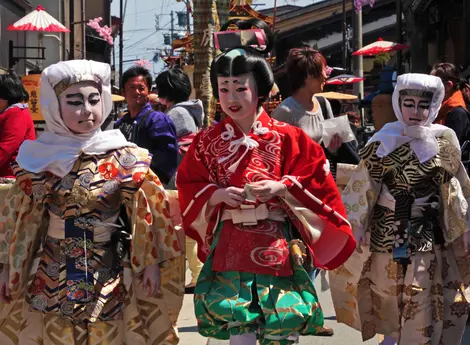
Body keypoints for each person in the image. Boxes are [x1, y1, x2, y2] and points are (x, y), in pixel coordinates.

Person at [177, 26, 355, 345]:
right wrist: (216, 194)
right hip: (231, 245)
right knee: (239, 330)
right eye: (224, 89)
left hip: (277, 244)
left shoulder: (290, 137)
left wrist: (281, 187)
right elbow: (189, 183)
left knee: (283, 328)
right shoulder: (206, 142)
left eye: (240, 88)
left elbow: (315, 177)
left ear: (258, 88)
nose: (231, 98)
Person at [0, 60, 182, 344]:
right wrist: (9, 266)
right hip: (52, 268)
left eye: (94, 99)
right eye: (74, 101)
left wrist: (150, 263)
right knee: (55, 333)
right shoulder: (37, 158)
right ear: (54, 107)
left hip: (106, 265)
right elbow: (18, 218)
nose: (86, 109)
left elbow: (147, 213)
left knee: (106, 334)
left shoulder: (125, 156)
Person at [329, 74, 470, 345]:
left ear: (435, 106)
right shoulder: (382, 142)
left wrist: (464, 226)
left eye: (423, 105)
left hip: (427, 236)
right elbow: (362, 189)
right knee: (389, 303)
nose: (416, 112)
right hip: (386, 235)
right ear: (398, 103)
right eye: (409, 103)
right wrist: (356, 231)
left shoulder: (444, 143)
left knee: (422, 306)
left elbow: (454, 191)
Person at [271, 47, 360, 179]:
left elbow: (333, 149)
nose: (326, 76)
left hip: (323, 178)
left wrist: (334, 149)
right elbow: (275, 156)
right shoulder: (284, 112)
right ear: (308, 76)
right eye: (322, 70)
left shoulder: (324, 103)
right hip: (297, 184)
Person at [155, 67, 205, 294]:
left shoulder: (175, 115)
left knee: (179, 231)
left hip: (176, 178)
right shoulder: (191, 111)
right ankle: (198, 273)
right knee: (188, 230)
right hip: (189, 176)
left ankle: (196, 274)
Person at [115, 66, 178, 186]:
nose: (136, 92)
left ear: (149, 92)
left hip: (149, 188)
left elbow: (166, 159)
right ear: (123, 92)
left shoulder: (158, 120)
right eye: (131, 87)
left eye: (141, 88)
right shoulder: (120, 124)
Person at [0, 73, 36, 178]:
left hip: (11, 177)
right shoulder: (13, 112)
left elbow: (6, 148)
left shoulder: (16, 113)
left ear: (7, 96)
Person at [431, 62, 470, 146]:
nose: (429, 89)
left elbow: (451, 149)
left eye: (433, 84)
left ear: (448, 86)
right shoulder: (440, 109)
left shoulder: (457, 113)